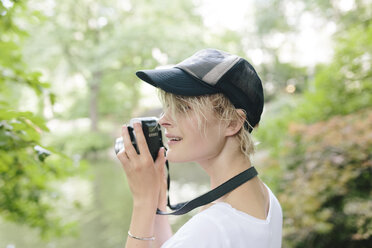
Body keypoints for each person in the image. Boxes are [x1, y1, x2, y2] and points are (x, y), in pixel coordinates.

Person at [117, 48, 283, 248]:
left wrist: (143, 202)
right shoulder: (266, 201)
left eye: (184, 107)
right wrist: (158, 201)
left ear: (232, 122)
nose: (163, 120)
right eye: (168, 107)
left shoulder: (211, 229)